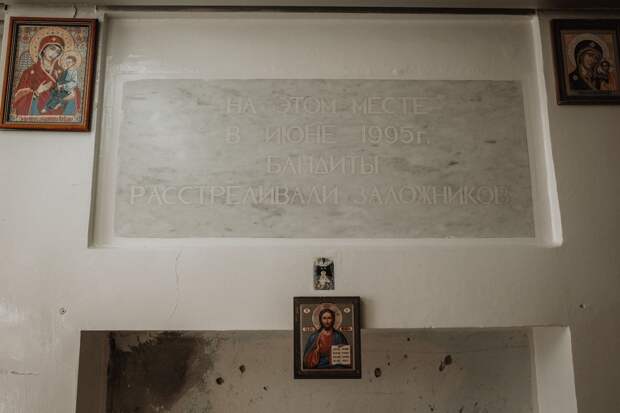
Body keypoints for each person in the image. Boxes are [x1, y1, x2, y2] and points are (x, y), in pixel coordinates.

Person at [11, 33, 80, 117]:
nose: (54, 54)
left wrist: (71, 93)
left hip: (59, 113)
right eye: (52, 48)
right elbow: (18, 99)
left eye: (58, 52)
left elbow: (74, 90)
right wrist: (37, 92)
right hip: (36, 113)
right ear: (43, 49)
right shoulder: (29, 72)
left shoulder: (61, 71)